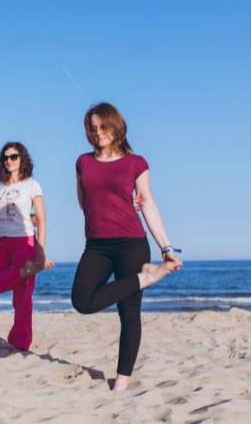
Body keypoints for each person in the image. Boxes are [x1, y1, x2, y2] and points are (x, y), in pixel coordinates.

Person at [70, 102, 183, 391]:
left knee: (129, 313)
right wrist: (116, 201)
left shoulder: (136, 163)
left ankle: (121, 383)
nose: (98, 133)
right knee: (82, 301)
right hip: (96, 245)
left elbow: (149, 205)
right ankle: (145, 278)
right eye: (92, 128)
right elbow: (84, 203)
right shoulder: (83, 162)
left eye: (103, 126)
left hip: (131, 243)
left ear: (115, 126)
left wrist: (166, 247)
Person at [0, 142, 53, 351]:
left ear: (22, 158)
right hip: (1, 243)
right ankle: (23, 272)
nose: (9, 160)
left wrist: (40, 252)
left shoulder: (32, 184)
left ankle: (20, 343)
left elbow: (42, 219)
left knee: (23, 299)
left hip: (24, 241)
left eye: (14, 156)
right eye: (6, 157)